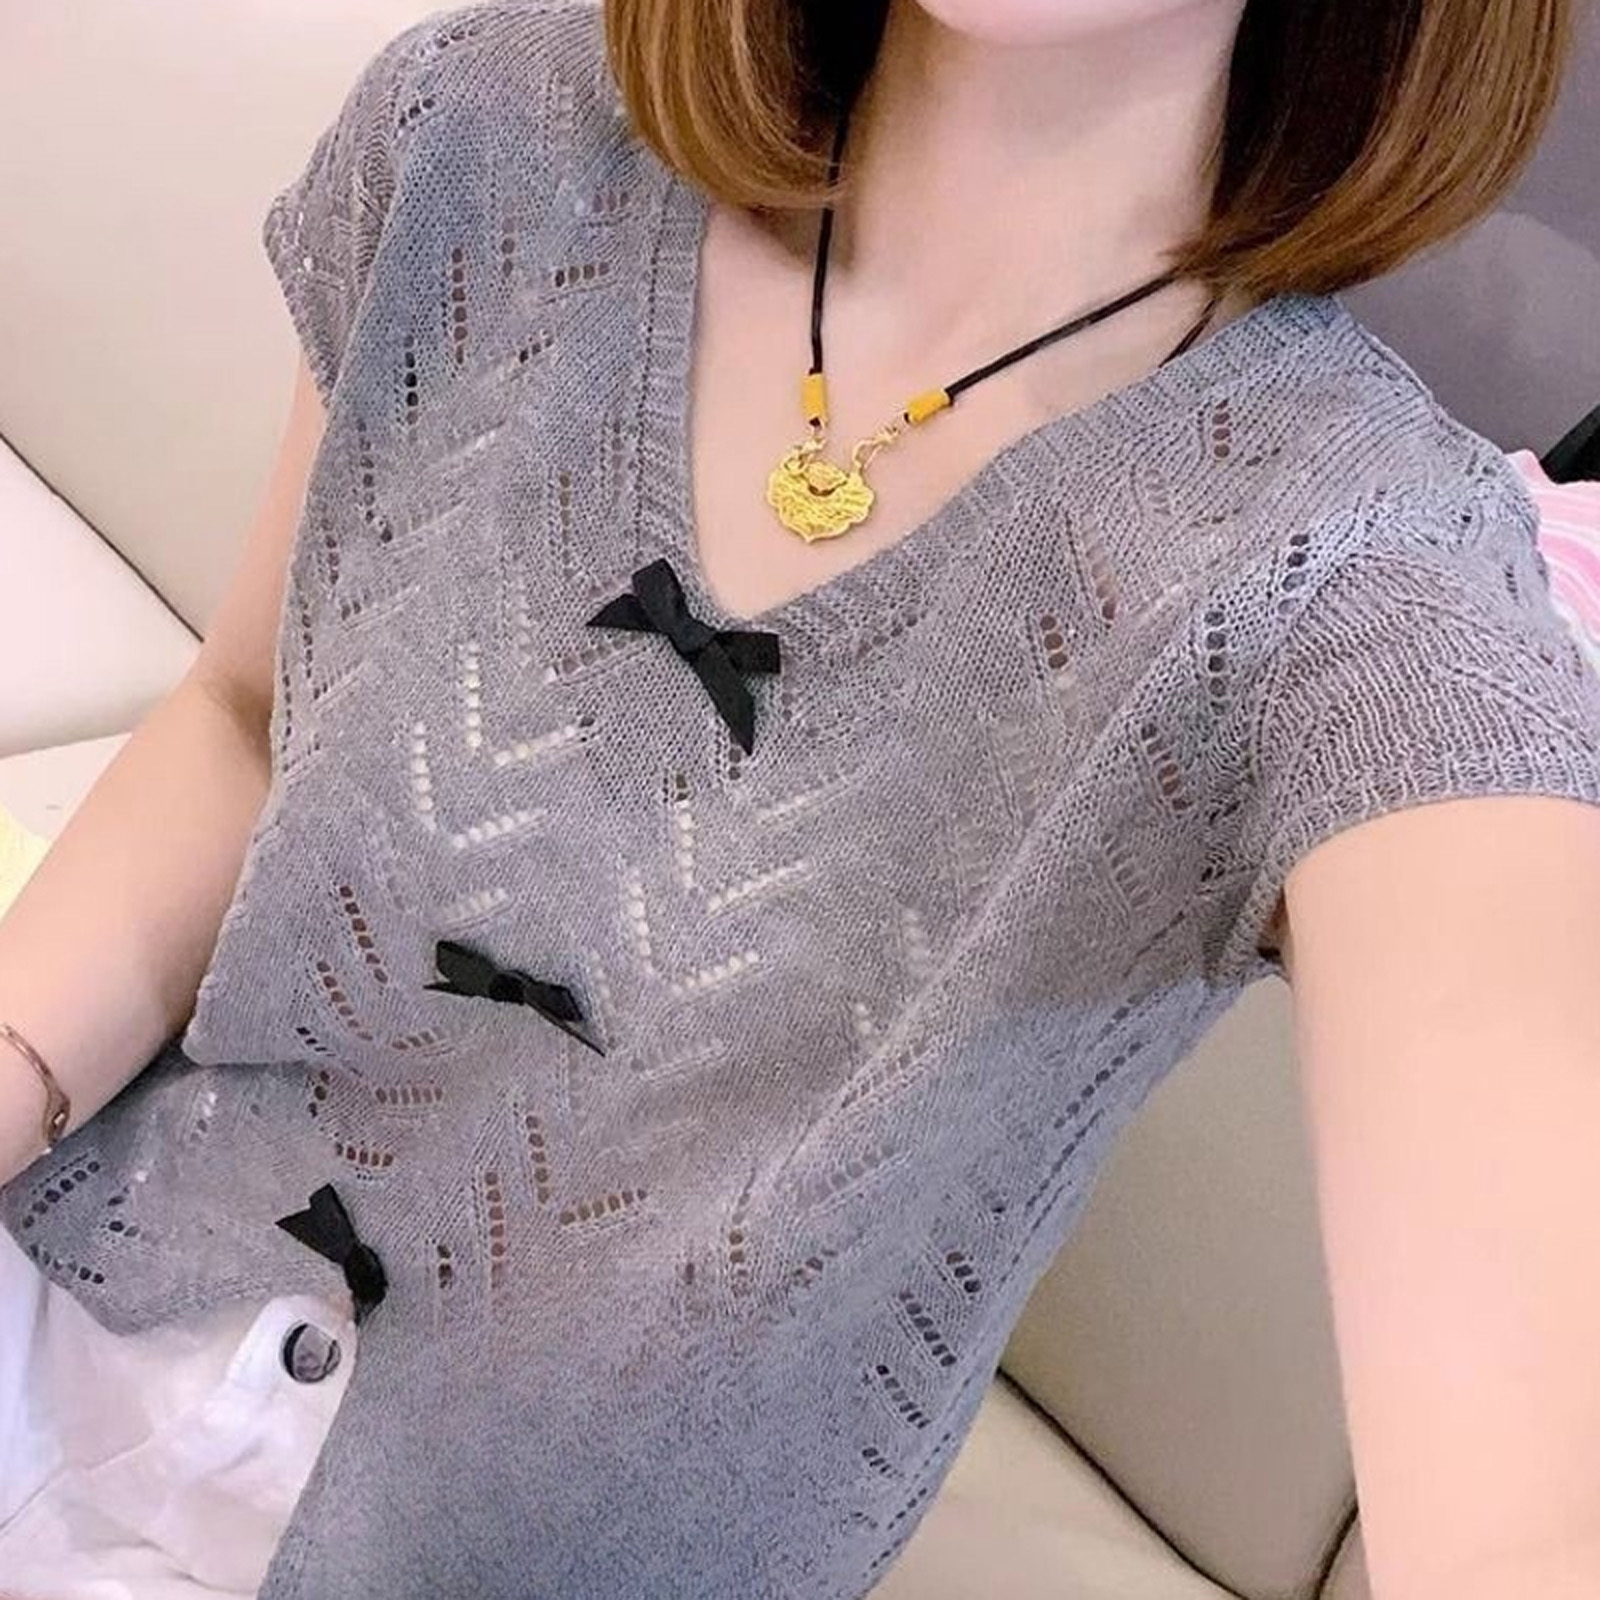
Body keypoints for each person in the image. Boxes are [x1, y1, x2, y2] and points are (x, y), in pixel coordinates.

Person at [3, 1, 1600, 1596]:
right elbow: (246, 720)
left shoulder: (1365, 577)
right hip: (74, 1287)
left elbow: (1524, 1480)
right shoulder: (490, 128)